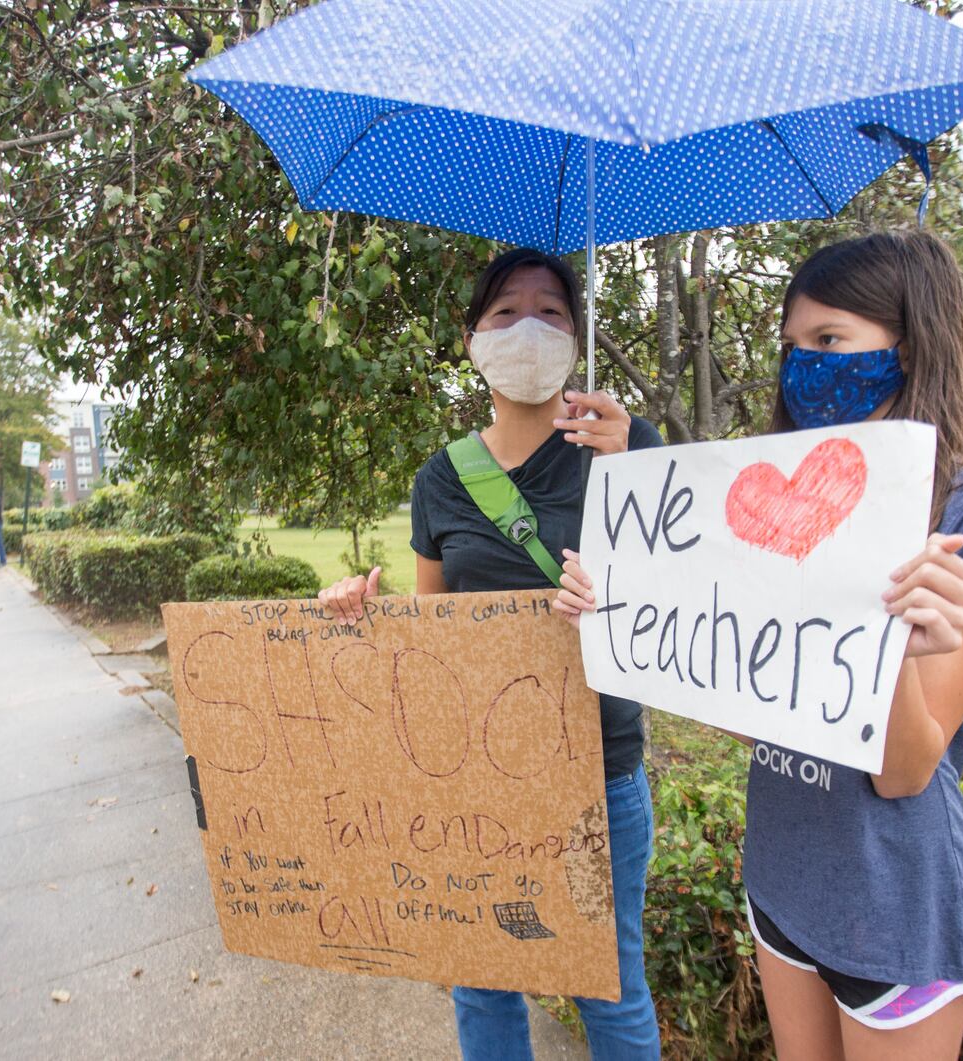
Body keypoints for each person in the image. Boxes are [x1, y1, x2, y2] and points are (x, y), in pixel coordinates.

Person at [557, 231, 963, 1060]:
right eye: (791, 346)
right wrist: (621, 607)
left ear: (912, 345)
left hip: (894, 908)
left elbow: (905, 770)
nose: (802, 367)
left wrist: (890, 638)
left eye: (829, 341)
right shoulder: (781, 508)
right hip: (782, 878)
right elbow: (756, 700)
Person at [319, 246, 665, 1060]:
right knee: (481, 980)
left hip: (600, 770)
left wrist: (639, 469)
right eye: (505, 312)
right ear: (472, 339)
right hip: (471, 776)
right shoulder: (440, 480)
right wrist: (356, 613)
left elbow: (681, 616)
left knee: (608, 987)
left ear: (577, 338)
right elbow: (429, 636)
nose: (528, 329)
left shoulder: (625, 449)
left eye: (551, 311)